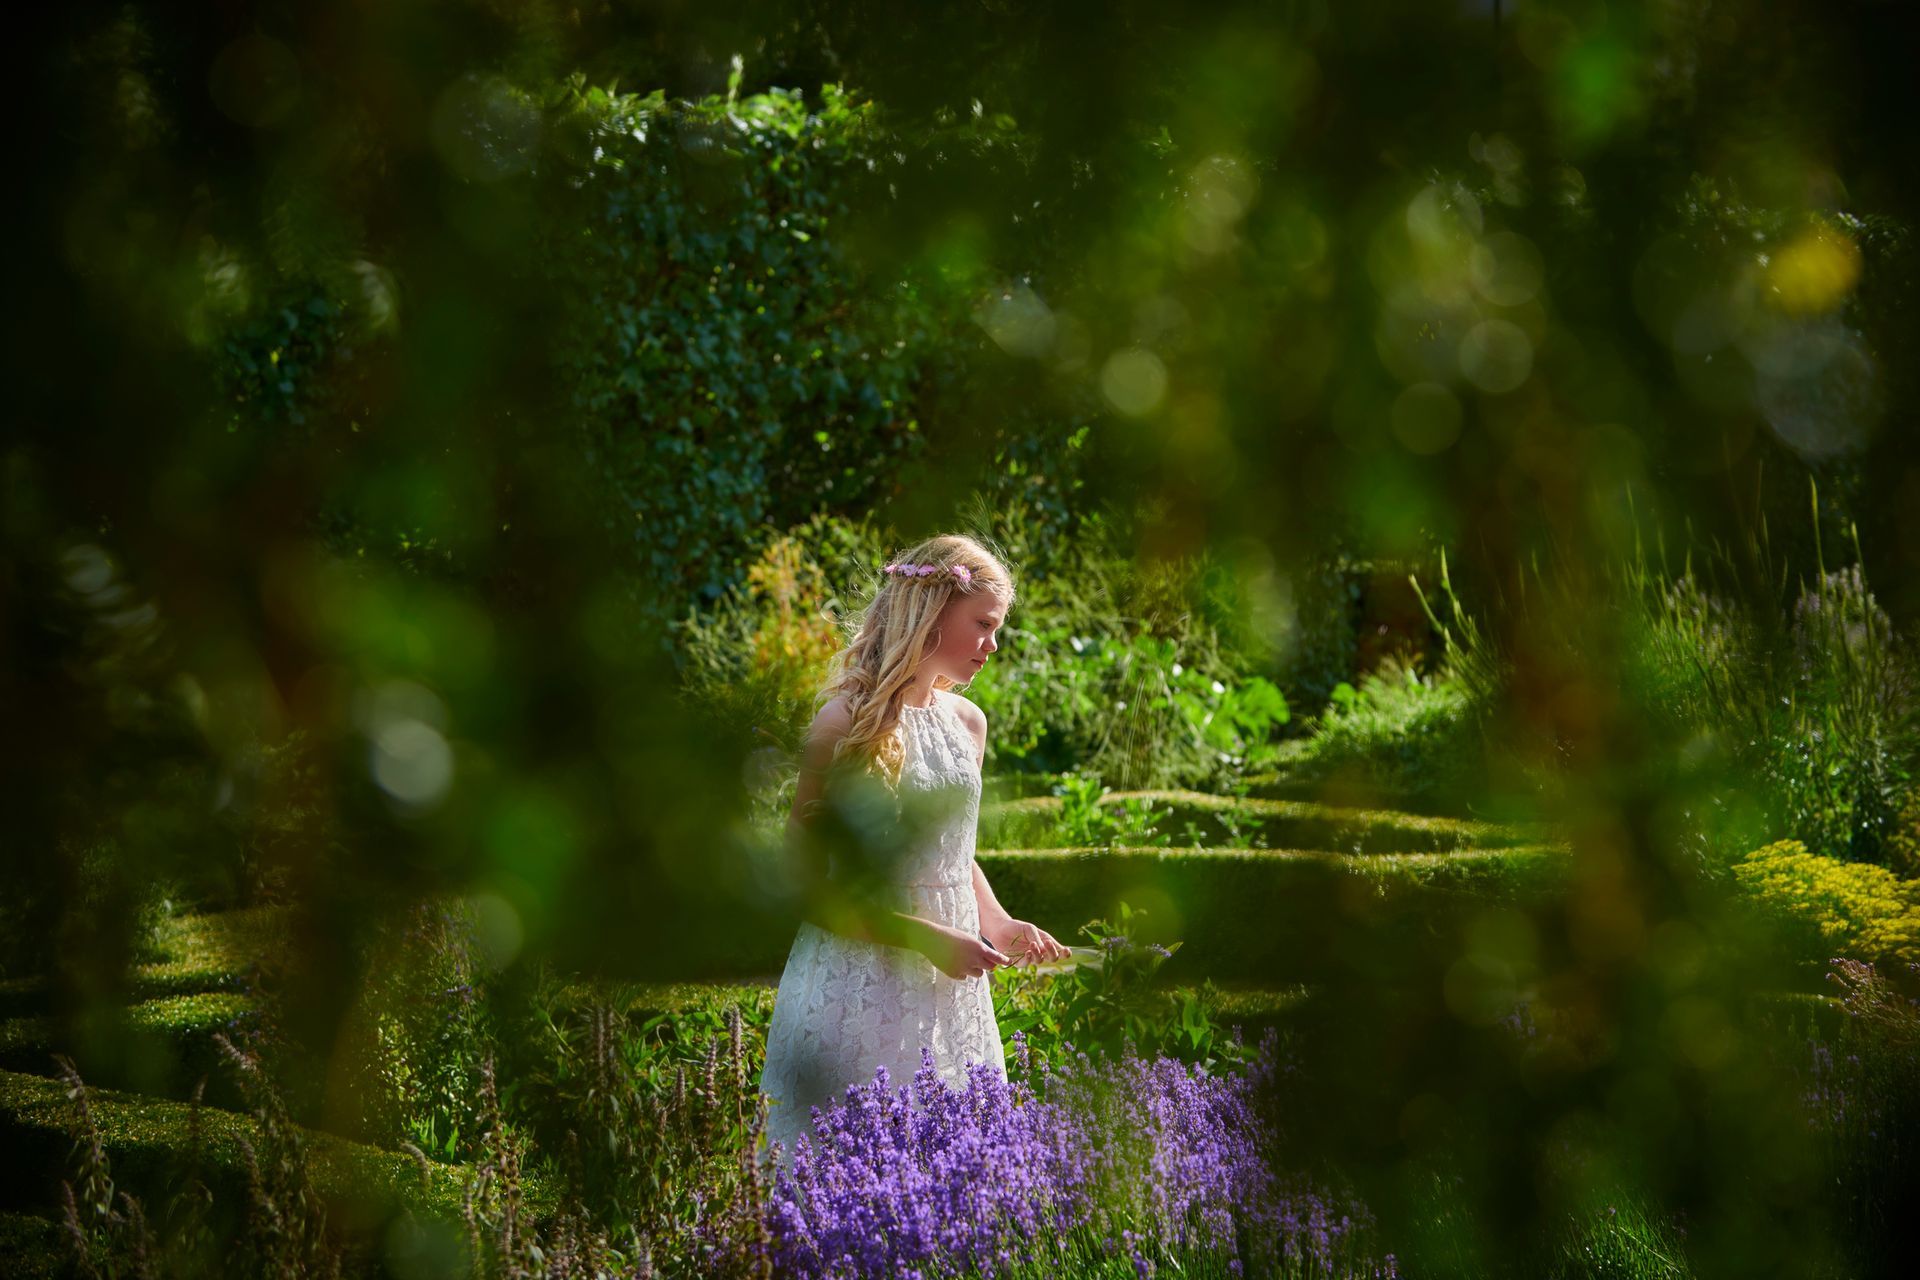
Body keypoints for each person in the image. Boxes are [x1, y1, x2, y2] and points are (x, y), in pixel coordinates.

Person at [757, 533, 1070, 1165]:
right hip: (859, 980)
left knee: (953, 1177)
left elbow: (952, 854)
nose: (993, 644)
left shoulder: (968, 724)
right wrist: (922, 937)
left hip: (949, 993)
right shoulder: (845, 724)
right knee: (841, 1178)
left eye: (997, 627)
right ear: (930, 612)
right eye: (983, 624)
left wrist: (1000, 922)